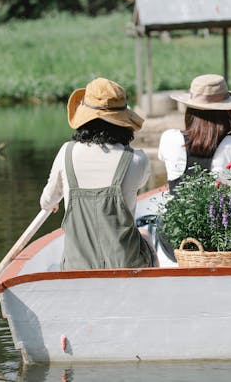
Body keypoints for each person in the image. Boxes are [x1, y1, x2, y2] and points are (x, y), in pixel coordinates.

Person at [40, 77, 157, 270]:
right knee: (146, 234)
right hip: (125, 265)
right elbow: (141, 181)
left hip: (77, 266)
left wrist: (52, 203)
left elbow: (47, 201)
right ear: (123, 121)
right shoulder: (138, 160)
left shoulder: (66, 153)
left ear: (84, 119)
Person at [158, 73, 231, 192]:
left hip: (178, 210)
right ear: (224, 111)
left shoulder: (169, 138)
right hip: (217, 210)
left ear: (189, 109)